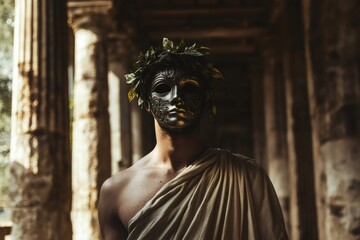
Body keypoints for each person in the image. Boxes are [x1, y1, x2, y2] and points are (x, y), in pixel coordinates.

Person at [98, 38, 288, 240]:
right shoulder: (116, 191)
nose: (176, 97)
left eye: (190, 88)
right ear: (146, 103)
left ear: (205, 101)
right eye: (162, 88)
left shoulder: (249, 177)